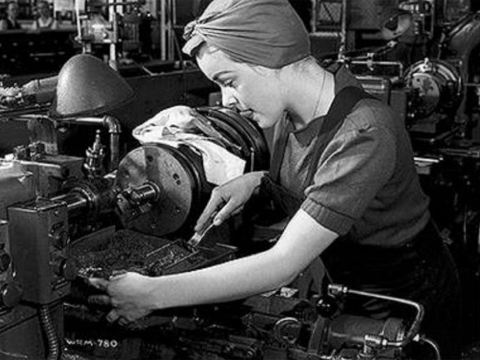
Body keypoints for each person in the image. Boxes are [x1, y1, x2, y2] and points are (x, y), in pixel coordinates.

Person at [88, 0, 462, 358]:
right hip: (350, 285)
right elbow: (318, 173)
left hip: (407, 298)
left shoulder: (363, 130)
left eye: (229, 80)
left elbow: (280, 266)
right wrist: (259, 181)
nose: (227, 100)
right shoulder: (290, 114)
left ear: (271, 57)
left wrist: (151, 294)